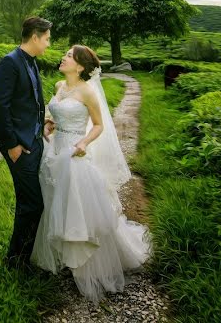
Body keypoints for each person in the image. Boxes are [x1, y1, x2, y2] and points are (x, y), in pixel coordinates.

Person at [32, 45, 151, 301]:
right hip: (55, 151)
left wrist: (84, 143)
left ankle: (85, 266)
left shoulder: (88, 91)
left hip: (74, 153)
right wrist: (50, 125)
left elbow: (97, 125)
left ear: (81, 66)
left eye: (68, 56)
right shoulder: (58, 86)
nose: (63, 58)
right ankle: (64, 255)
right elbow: (58, 115)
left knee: (78, 208)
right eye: (64, 55)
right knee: (56, 203)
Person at [0, 16, 52, 268]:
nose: (49, 44)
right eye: (47, 38)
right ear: (35, 36)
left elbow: (32, 100)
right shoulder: (10, 62)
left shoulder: (32, 62)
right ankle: (16, 262)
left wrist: (43, 122)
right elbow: (1, 106)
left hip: (34, 140)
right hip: (18, 145)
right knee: (32, 204)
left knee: (31, 201)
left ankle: (24, 256)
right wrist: (12, 145)